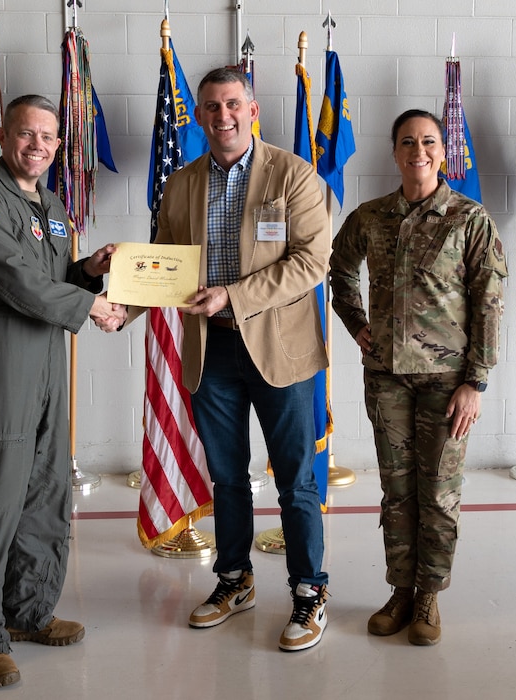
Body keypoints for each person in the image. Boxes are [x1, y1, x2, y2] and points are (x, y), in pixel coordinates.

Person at [132, 67, 331, 651]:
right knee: (227, 476)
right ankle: (235, 579)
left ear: (252, 107)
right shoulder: (182, 184)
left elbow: (310, 262)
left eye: (233, 104)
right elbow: (166, 265)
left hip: (280, 348)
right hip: (211, 349)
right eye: (212, 107)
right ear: (199, 114)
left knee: (295, 481)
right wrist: (123, 302)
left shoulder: (293, 175)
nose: (223, 116)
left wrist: (233, 294)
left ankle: (308, 590)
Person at [0, 94, 126, 688]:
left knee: (45, 489)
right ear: (3, 135)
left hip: (47, 360)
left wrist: (89, 272)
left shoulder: (52, 206)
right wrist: (91, 306)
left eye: (49, 138)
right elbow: (12, 279)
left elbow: (51, 279)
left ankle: (27, 611)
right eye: (28, 134)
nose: (39, 146)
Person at [329, 109, 507, 646]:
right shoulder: (371, 216)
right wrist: (357, 325)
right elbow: (338, 267)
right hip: (387, 379)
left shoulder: (469, 218)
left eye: (428, 141)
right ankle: (400, 591)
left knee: (439, 491)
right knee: (397, 491)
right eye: (408, 142)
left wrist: (475, 381)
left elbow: (490, 301)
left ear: (442, 152)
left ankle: (429, 595)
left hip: (447, 382)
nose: (418, 151)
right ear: (395, 151)